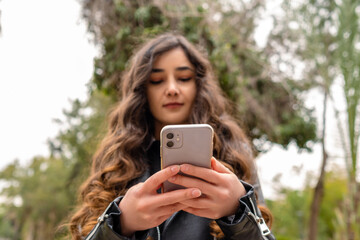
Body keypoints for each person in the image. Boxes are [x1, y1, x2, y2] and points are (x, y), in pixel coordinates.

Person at [69, 33, 276, 240]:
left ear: (198, 86)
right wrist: (120, 224)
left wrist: (237, 213)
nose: (172, 89)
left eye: (184, 78)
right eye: (157, 80)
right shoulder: (116, 160)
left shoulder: (235, 153)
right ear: (143, 90)